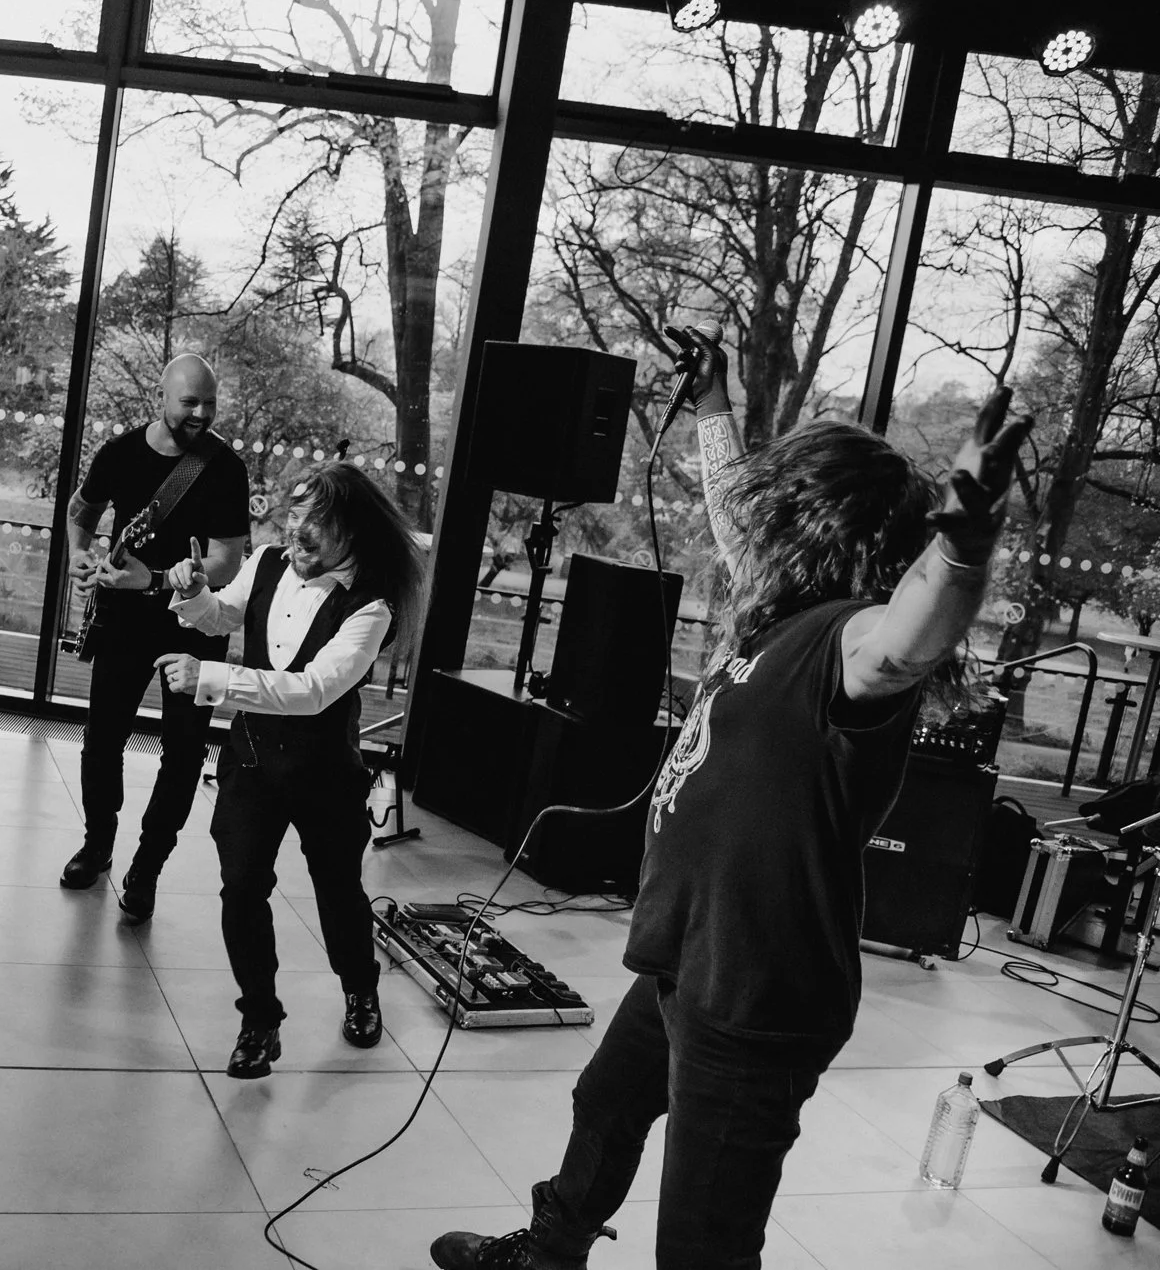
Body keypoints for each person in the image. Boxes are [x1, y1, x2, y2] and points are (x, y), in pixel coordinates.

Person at [429, 331, 1031, 1270]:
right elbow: (731, 513)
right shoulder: (782, 613)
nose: (758, 524)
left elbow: (909, 640)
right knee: (609, 1102)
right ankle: (549, 1254)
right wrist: (715, 404)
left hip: (756, 994)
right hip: (692, 958)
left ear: (823, 526)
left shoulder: (846, 640)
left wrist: (961, 549)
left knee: (705, 1242)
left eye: (784, 506)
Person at [155, 461, 423, 1078]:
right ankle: (260, 1020)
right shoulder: (268, 560)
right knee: (242, 888)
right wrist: (194, 594)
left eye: (317, 525)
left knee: (337, 891)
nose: (297, 535)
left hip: (325, 773)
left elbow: (312, 691)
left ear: (352, 532)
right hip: (250, 764)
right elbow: (225, 617)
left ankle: (360, 988)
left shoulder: (371, 606)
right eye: (294, 518)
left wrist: (212, 680)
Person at [62, 353, 251, 924]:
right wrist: (77, 550)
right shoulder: (119, 453)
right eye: (190, 401)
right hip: (122, 620)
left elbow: (226, 559)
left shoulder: (225, 467)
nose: (201, 413)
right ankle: (98, 845)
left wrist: (168, 578)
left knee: (185, 753)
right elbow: (81, 510)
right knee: (102, 740)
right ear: (161, 397)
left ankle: (147, 868)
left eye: (210, 404)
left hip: (194, 624)